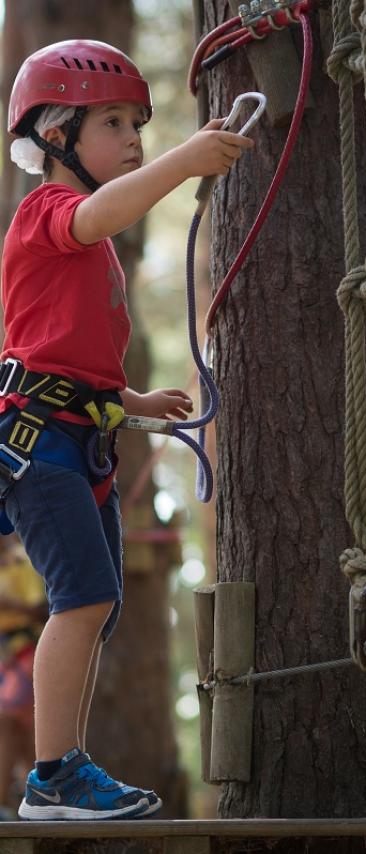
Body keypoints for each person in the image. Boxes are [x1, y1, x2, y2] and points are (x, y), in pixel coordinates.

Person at [0, 39, 253, 821]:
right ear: (54, 137)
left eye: (139, 123)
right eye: (113, 121)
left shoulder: (89, 242)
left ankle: (61, 769)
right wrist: (182, 161)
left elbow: (67, 352)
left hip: (77, 433)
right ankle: (53, 776)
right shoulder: (49, 214)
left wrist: (134, 401)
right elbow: (102, 212)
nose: (135, 137)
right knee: (83, 596)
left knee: (95, 603)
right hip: (37, 440)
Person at [0, 538, 47, 820]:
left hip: (22, 653)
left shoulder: (21, 561)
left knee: (13, 723)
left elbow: (43, 610)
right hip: (5, 657)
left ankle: (36, 801)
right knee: (11, 729)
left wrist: (11, 605)